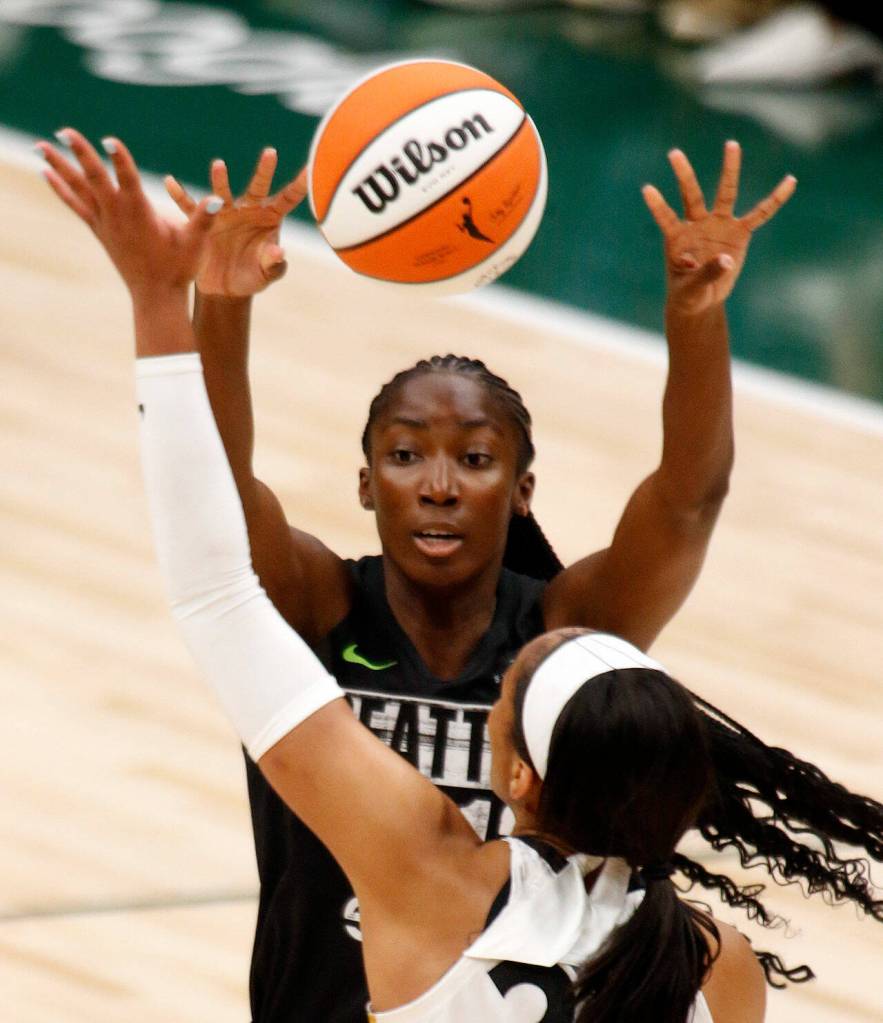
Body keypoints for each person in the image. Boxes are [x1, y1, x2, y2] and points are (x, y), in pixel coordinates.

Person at [38, 130, 883, 1022]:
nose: (437, 485)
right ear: (365, 484)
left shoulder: (548, 663)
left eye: (474, 459)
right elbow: (223, 488)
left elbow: (686, 503)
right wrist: (221, 299)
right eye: (405, 454)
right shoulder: (328, 603)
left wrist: (186, 301)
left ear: (522, 492)